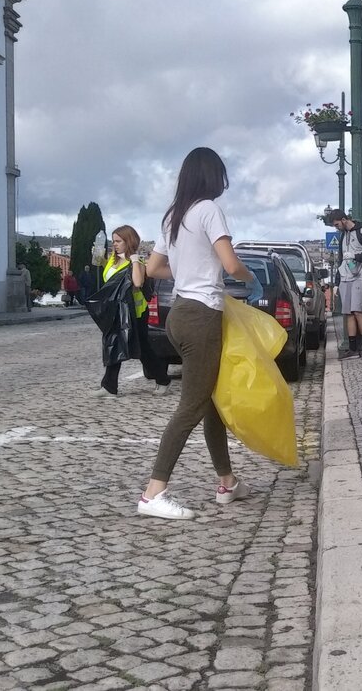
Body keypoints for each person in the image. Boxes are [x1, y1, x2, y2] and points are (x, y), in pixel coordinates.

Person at [139, 146, 263, 520]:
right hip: (202, 316)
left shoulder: (173, 216)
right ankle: (153, 494)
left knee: (210, 402)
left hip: (178, 314)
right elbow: (230, 263)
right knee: (191, 406)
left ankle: (227, 481)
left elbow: (153, 268)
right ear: (212, 177)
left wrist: (190, 270)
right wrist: (249, 278)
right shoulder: (208, 210)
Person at [92, 226, 172, 398]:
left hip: (135, 313)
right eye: (113, 241)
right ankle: (109, 386)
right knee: (113, 342)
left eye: (119, 241)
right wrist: (100, 259)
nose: (115, 244)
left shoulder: (138, 264)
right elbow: (110, 280)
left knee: (142, 349)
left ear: (129, 241)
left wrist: (135, 260)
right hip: (116, 311)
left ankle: (162, 378)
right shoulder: (113, 260)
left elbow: (137, 282)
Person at [329, 208, 362, 360]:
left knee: (357, 311)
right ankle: (352, 347)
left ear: (343, 220)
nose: (336, 228)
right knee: (348, 312)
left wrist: (355, 256)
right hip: (345, 277)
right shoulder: (343, 236)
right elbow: (342, 261)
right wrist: (337, 282)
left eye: (337, 224)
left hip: (360, 276)